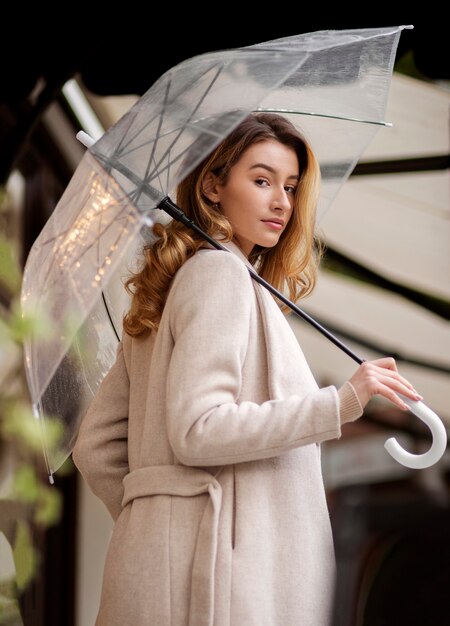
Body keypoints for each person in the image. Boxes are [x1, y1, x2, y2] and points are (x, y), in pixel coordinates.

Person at [72, 112, 422, 626]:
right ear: (212, 186)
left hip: (167, 581)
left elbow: (95, 446)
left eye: (291, 186)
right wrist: (341, 402)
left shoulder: (169, 289)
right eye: (261, 181)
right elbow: (199, 429)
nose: (282, 201)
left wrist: (156, 523)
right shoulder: (219, 274)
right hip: (221, 587)